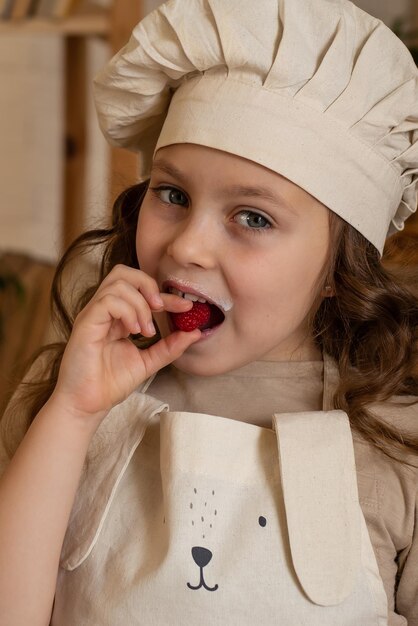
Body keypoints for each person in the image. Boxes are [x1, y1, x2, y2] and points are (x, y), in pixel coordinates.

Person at [0, 0, 417, 623]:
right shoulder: (60, 396)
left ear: (338, 270)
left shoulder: (398, 441)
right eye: (172, 194)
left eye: (253, 217)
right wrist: (71, 413)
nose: (187, 246)